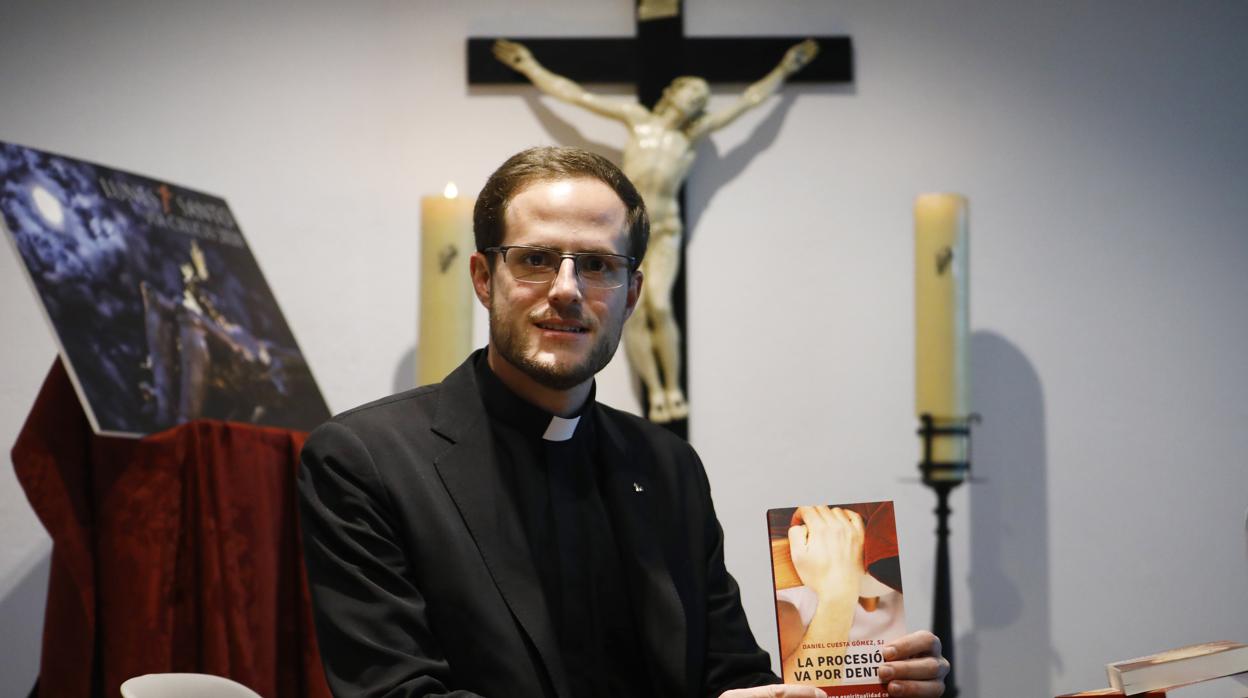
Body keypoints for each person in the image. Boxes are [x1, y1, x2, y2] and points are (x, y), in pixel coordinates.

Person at [297, 146, 948, 697]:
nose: (566, 289)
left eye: (599, 265)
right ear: (482, 277)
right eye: (534, 259)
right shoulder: (366, 461)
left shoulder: (667, 466)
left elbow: (727, 677)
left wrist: (872, 676)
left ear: (632, 294)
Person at [493, 38, 819, 424]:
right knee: (631, 310)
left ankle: (673, 387)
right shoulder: (637, 119)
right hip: (625, 232)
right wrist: (529, 66)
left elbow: (748, 101)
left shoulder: (689, 138)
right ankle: (657, 392)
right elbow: (577, 97)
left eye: (701, 99)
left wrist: (785, 68)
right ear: (673, 92)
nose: (696, 102)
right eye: (691, 93)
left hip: (663, 229)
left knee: (660, 305)